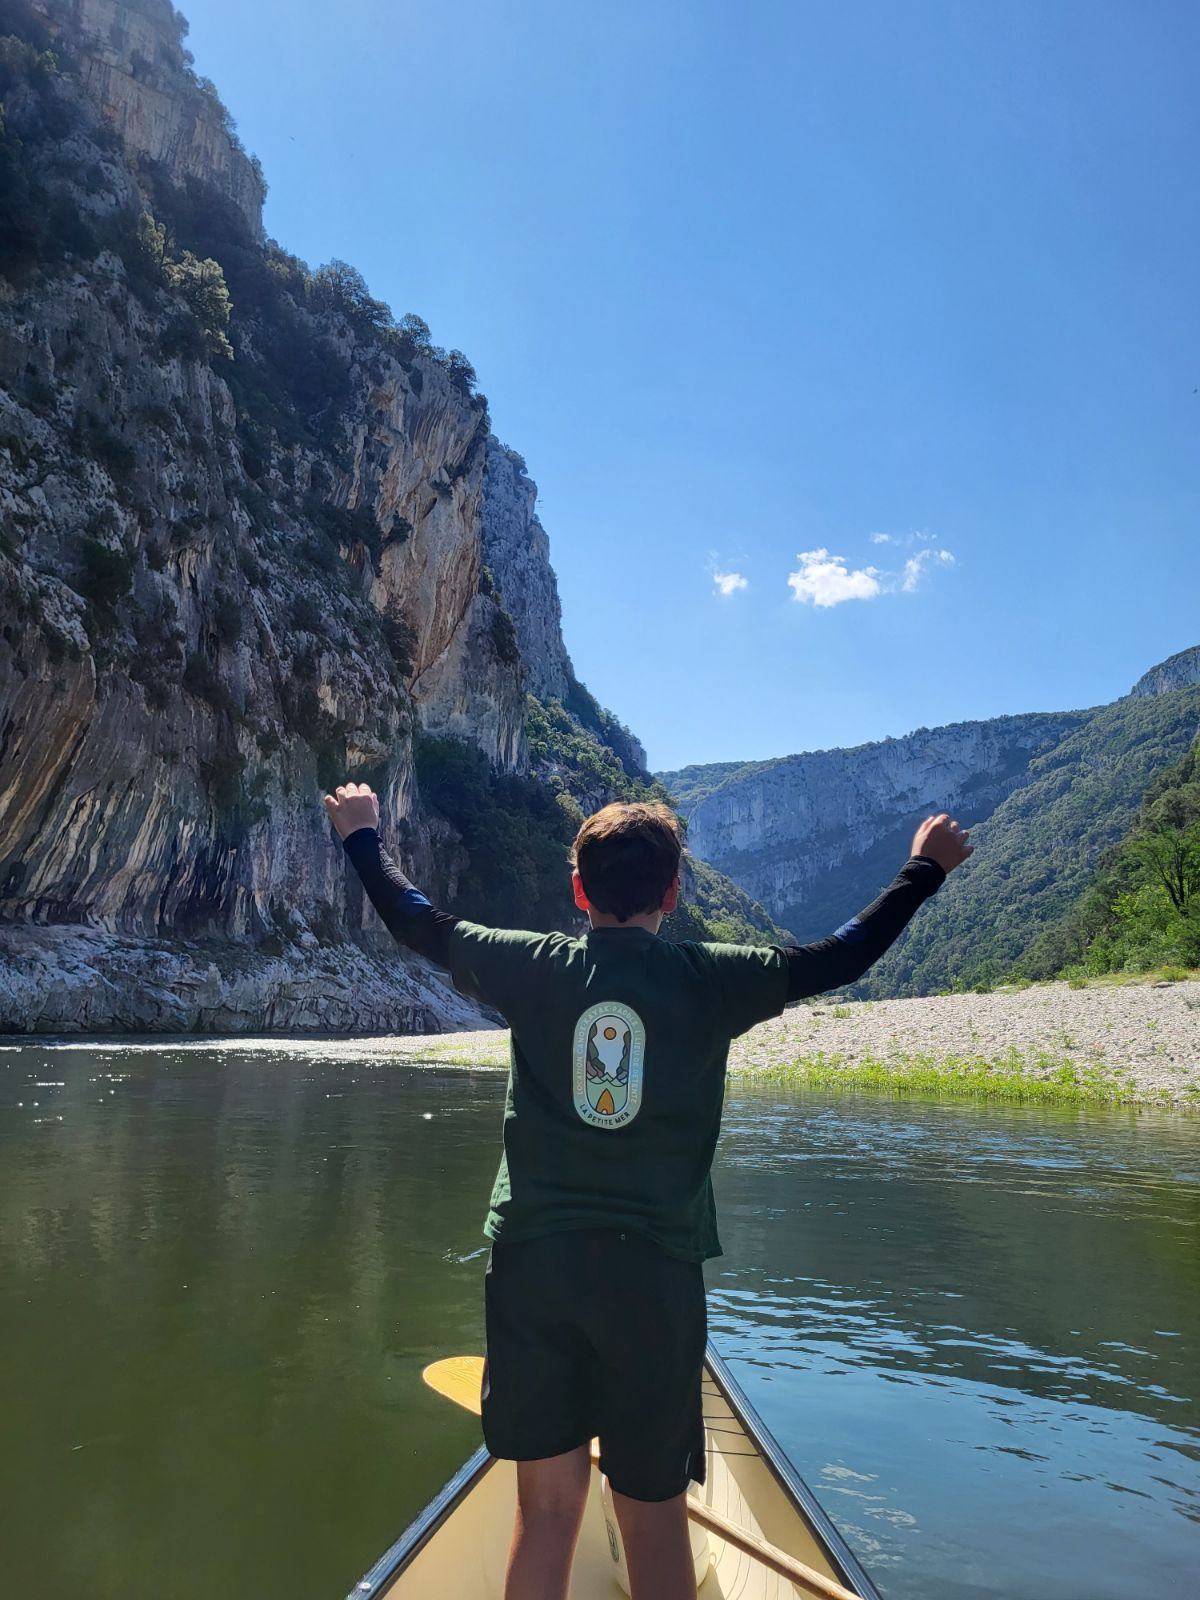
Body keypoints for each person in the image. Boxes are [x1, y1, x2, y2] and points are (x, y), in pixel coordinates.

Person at [322, 783, 972, 1600]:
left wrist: (361, 835)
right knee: (653, 1517)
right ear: (672, 894)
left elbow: (414, 918)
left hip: (535, 1271)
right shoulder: (711, 979)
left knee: (547, 1512)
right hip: (653, 1281)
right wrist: (925, 867)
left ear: (578, 892)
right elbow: (842, 955)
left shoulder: (529, 963)